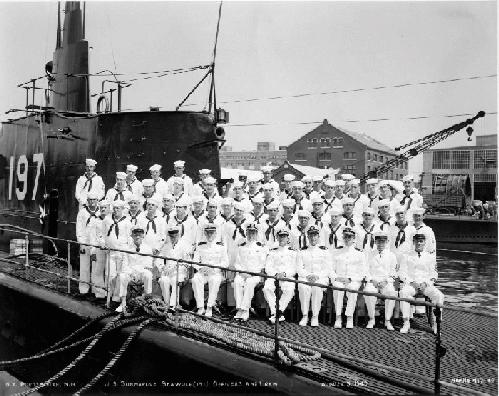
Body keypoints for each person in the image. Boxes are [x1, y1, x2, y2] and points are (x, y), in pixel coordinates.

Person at [398, 232, 444, 334]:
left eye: (421, 241)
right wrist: (411, 282)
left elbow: (434, 274)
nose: (419, 243)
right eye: (417, 241)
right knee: (403, 293)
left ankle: (436, 325)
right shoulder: (406, 256)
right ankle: (406, 322)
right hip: (411, 285)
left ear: (424, 243)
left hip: (425, 285)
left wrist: (426, 283)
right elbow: (401, 272)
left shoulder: (430, 257)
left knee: (439, 296)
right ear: (413, 242)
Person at [331, 227, 368, 329]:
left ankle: (349, 317)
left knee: (352, 289)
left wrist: (350, 279)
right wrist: (336, 277)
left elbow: (362, 272)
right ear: (342, 237)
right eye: (345, 236)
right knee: (338, 288)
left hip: (353, 280)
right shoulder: (336, 252)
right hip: (339, 279)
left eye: (350, 237)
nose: (347, 239)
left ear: (354, 238)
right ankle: (338, 317)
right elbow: (330, 269)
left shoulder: (360, 254)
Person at [192, 225, 229, 317]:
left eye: (212, 233)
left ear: (216, 234)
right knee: (195, 279)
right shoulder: (200, 246)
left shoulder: (221, 247)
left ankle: (209, 307)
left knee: (214, 280)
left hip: (215, 272)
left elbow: (226, 262)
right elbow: (194, 262)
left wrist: (214, 268)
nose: (210, 235)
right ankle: (200, 307)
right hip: (203, 272)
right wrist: (200, 268)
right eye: (208, 233)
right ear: (205, 233)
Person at [233, 222, 268, 321]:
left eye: (253, 233)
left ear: (256, 234)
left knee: (249, 283)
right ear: (246, 233)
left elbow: (263, 264)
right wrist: (242, 272)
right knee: (237, 282)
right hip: (242, 273)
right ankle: (240, 308)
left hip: (255, 275)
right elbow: (237, 262)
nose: (251, 235)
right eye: (249, 232)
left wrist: (251, 274)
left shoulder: (261, 247)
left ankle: (245, 310)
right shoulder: (241, 246)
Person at [363, 231, 398, 330]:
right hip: (373, 281)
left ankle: (387, 320)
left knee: (391, 292)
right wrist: (371, 280)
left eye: (383, 242)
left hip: (386, 282)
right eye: (378, 242)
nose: (380, 244)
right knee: (368, 292)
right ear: (375, 242)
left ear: (387, 242)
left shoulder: (391, 255)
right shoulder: (369, 254)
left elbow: (394, 272)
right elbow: (365, 270)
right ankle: (372, 318)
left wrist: (386, 281)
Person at [115, 226, 154, 313]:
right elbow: (125, 265)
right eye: (135, 235)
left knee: (148, 274)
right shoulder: (127, 248)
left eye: (139, 235)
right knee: (122, 276)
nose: (137, 237)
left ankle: (146, 301)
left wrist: (137, 271)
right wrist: (131, 273)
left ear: (143, 236)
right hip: (130, 273)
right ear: (131, 236)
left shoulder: (148, 249)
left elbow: (148, 265)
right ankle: (123, 303)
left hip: (141, 273)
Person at [296, 226, 329, 327]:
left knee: (316, 288)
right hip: (305, 277)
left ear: (318, 237)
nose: (313, 238)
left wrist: (317, 276)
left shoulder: (324, 251)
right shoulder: (302, 251)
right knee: (303, 287)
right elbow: (298, 267)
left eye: (315, 235)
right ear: (307, 237)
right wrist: (307, 276)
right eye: (311, 235)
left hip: (320, 278)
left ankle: (315, 316)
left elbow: (327, 268)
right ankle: (305, 315)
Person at [263, 228, 297, 324]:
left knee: (289, 290)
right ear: (277, 238)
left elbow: (294, 268)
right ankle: (277, 313)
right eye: (280, 236)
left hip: (287, 277)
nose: (282, 238)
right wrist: (275, 275)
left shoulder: (293, 252)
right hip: (274, 276)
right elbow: (268, 267)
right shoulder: (272, 251)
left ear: (287, 239)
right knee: (266, 288)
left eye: (284, 236)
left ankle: (278, 312)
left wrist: (285, 274)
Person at [101, 200, 132, 301]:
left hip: (122, 252)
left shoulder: (127, 221)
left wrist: (127, 251)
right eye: (114, 208)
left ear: (123, 209)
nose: (116, 210)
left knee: (120, 275)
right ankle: (108, 295)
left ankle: (117, 297)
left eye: (118, 208)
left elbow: (130, 237)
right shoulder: (107, 220)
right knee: (110, 274)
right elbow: (102, 234)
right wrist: (103, 244)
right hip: (111, 251)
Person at [157, 226, 191, 310]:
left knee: (174, 281)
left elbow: (188, 262)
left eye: (175, 236)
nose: (173, 238)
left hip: (180, 271)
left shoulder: (184, 245)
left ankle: (174, 305)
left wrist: (177, 266)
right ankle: (166, 303)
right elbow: (158, 260)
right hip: (167, 271)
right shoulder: (166, 246)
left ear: (178, 235)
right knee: (163, 280)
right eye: (171, 236)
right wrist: (162, 268)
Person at [76, 192, 100, 294]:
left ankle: (95, 290)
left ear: (97, 201)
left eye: (94, 200)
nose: (92, 202)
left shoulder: (101, 212)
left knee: (96, 267)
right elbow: (79, 229)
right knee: (84, 266)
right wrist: (81, 243)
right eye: (90, 200)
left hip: (96, 243)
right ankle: (83, 289)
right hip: (85, 242)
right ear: (87, 201)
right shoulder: (82, 213)